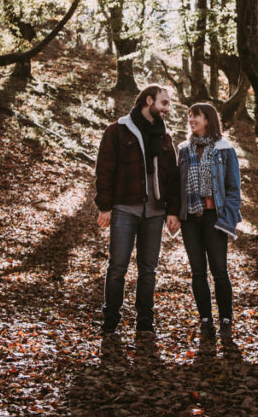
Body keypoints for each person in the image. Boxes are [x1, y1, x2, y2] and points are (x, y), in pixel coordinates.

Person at [95, 84, 181, 337]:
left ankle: (145, 320)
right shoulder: (117, 130)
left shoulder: (165, 136)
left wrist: (173, 211)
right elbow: (104, 169)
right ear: (148, 100)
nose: (167, 109)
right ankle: (110, 319)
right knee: (117, 266)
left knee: (148, 269)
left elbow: (173, 177)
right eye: (164, 103)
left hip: (155, 213)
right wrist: (105, 206)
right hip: (124, 209)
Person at [173, 102, 242, 345]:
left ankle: (225, 319)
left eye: (196, 116)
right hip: (190, 218)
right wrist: (174, 213)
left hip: (215, 218)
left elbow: (234, 189)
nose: (191, 120)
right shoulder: (183, 149)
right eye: (189, 116)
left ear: (208, 119)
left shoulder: (224, 149)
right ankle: (205, 319)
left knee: (219, 271)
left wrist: (228, 218)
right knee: (198, 271)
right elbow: (176, 185)